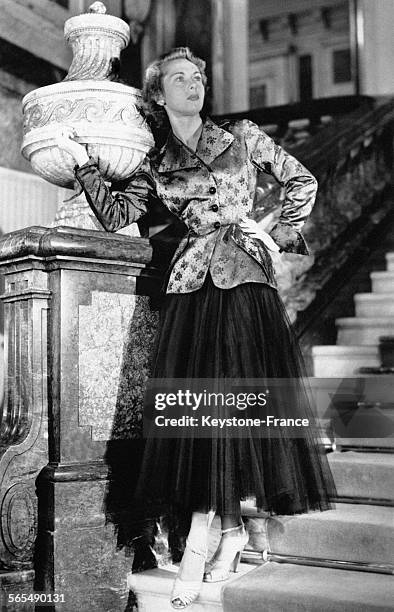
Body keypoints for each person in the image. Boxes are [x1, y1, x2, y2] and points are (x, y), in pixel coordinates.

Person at [55, 46, 336, 610]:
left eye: (199, 77)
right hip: (189, 289)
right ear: (159, 93)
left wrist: (271, 231)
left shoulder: (244, 135)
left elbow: (300, 180)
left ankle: (204, 547)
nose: (194, 85)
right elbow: (115, 215)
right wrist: (84, 165)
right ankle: (226, 536)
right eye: (180, 79)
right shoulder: (153, 161)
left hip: (245, 287)